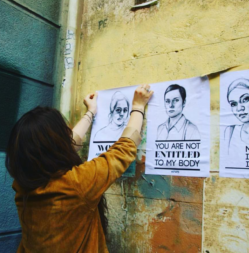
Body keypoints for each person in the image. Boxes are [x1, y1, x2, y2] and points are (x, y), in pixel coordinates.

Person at [5, 84, 153, 253]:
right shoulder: (75, 184)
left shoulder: (23, 185)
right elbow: (124, 149)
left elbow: (64, 147)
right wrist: (138, 107)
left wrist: (90, 113)